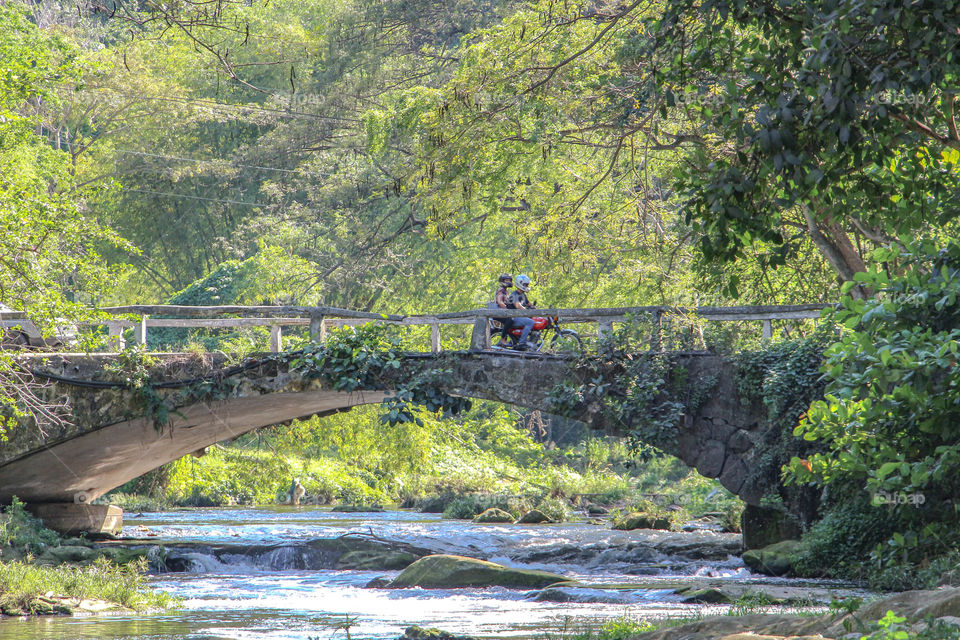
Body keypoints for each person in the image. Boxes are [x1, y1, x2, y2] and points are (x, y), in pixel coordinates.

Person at [508, 274, 536, 349]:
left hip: (519, 317)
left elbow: (529, 304)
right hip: (513, 318)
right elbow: (518, 305)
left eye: (527, 285)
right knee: (530, 322)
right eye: (525, 284)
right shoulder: (514, 295)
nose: (527, 286)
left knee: (535, 320)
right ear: (520, 283)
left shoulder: (523, 295)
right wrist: (527, 311)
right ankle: (522, 343)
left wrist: (535, 309)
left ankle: (531, 341)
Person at [492, 274, 515, 342]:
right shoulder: (501, 291)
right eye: (506, 280)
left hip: (503, 312)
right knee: (510, 320)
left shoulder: (506, 291)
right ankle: (502, 339)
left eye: (509, 280)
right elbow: (499, 302)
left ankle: (514, 339)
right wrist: (507, 310)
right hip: (499, 312)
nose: (509, 282)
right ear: (502, 281)